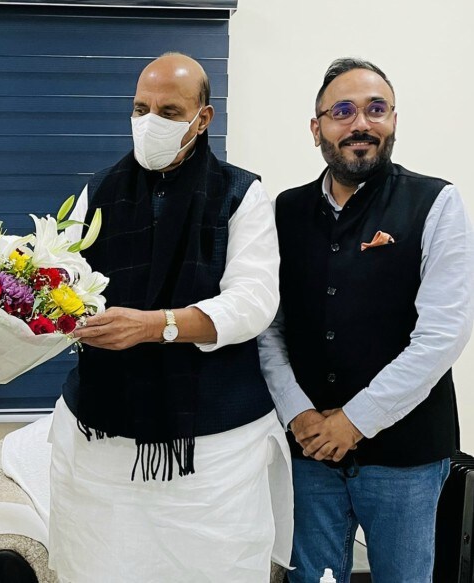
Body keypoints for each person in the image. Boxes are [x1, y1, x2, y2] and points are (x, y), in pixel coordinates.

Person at [50, 52, 292, 582]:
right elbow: (64, 283)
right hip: (104, 433)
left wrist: (155, 325)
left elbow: (252, 301)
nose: (150, 122)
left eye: (169, 111)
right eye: (141, 109)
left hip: (213, 443)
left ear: (203, 119)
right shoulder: (99, 191)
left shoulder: (240, 193)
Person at [259, 57, 474, 582]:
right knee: (310, 576)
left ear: (394, 120)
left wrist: (353, 421)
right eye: (343, 111)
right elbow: (269, 327)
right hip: (309, 451)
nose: (361, 123)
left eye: (376, 110)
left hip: (406, 458)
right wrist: (297, 414)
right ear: (317, 129)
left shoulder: (435, 202)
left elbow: (442, 335)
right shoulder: (285, 210)